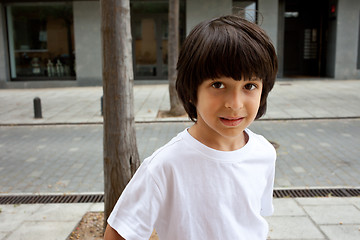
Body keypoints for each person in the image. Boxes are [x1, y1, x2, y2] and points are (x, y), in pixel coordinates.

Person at [104, 14, 278, 240]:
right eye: (218, 84)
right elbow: (118, 233)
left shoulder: (264, 153)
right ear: (191, 91)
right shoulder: (165, 166)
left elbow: (251, 221)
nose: (234, 104)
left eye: (249, 85)